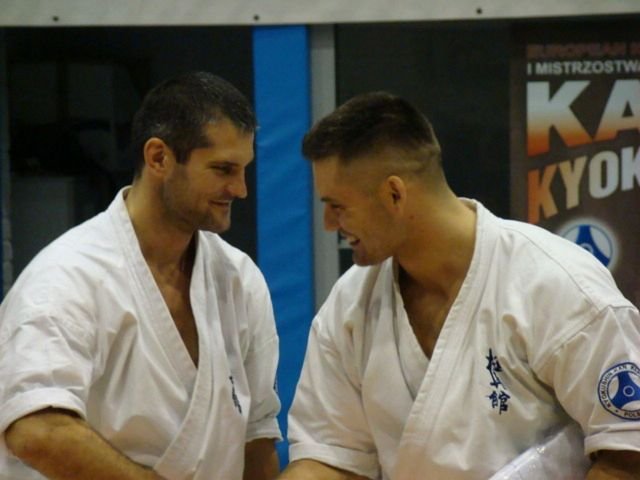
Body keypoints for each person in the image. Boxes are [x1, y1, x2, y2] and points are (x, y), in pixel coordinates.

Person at [278, 92, 640, 479]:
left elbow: (628, 455)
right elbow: (330, 459)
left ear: (394, 194)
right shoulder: (350, 304)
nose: (328, 224)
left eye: (337, 206)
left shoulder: (557, 286)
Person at [0, 71, 282, 480]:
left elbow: (256, 436)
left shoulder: (239, 279)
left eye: (243, 170)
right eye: (223, 169)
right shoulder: (67, 277)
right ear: (159, 158)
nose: (240, 189)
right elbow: (36, 429)